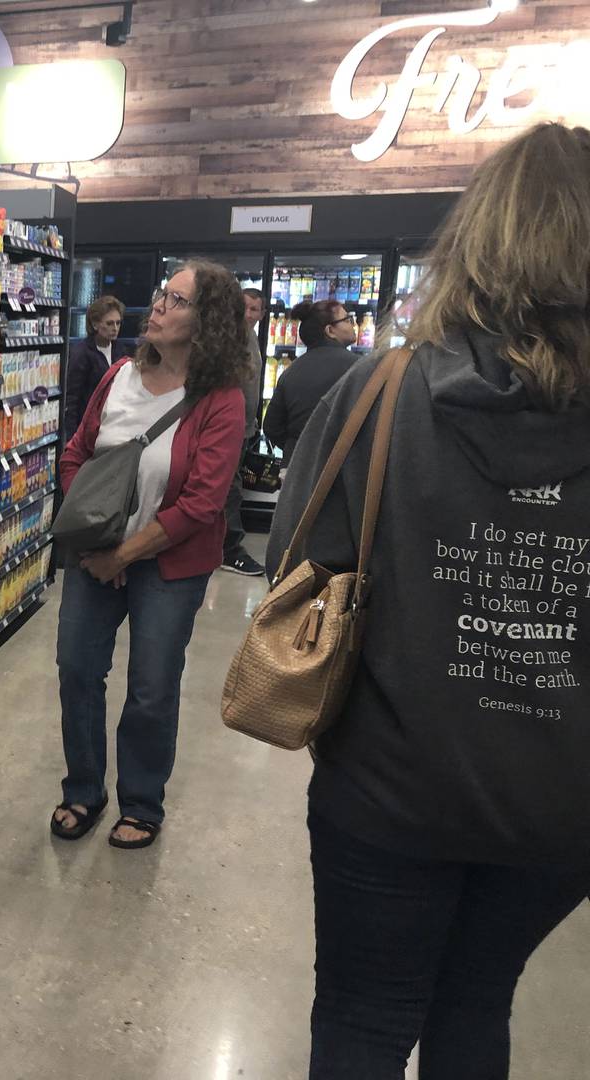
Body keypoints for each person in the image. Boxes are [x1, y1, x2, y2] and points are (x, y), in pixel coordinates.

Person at [266, 122, 590, 1080]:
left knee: (364, 1022)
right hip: (563, 804)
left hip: (387, 789)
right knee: (478, 1006)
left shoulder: (384, 390)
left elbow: (297, 555)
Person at [51, 260, 250, 849]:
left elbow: (202, 504)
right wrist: (94, 536)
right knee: (77, 671)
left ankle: (142, 800)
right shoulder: (117, 377)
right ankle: (83, 788)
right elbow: (75, 455)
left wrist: (125, 555)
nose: (159, 305)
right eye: (162, 294)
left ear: (207, 321)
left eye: (177, 300)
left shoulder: (222, 401)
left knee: (152, 685)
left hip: (169, 566)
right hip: (97, 557)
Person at [262, 297, 360, 468]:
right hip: (340, 466)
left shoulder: (290, 371)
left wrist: (297, 445)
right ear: (330, 330)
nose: (353, 324)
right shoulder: (359, 368)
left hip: (296, 466)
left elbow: (271, 427)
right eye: (347, 320)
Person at [221, 286, 266, 576]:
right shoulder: (230, 338)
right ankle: (229, 549)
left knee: (230, 487)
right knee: (229, 489)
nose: (248, 314)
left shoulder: (251, 337)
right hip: (229, 428)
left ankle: (223, 545)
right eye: (244, 307)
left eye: (254, 309)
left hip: (244, 428)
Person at [63, 295, 126, 437]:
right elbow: (72, 398)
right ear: (95, 324)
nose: (115, 328)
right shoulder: (81, 353)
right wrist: (72, 438)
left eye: (118, 323)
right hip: (87, 429)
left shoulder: (120, 350)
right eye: (109, 323)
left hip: (114, 425)